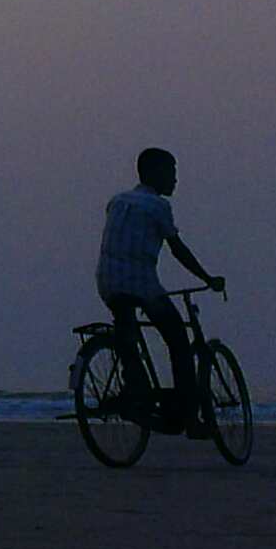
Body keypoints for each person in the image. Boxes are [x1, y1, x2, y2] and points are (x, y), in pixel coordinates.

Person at [94, 147, 224, 434]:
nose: (175, 180)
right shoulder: (158, 207)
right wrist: (207, 277)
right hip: (139, 281)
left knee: (127, 332)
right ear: (154, 173)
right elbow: (178, 249)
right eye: (171, 172)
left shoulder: (117, 201)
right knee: (178, 339)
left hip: (107, 280)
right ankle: (189, 418)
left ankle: (136, 390)